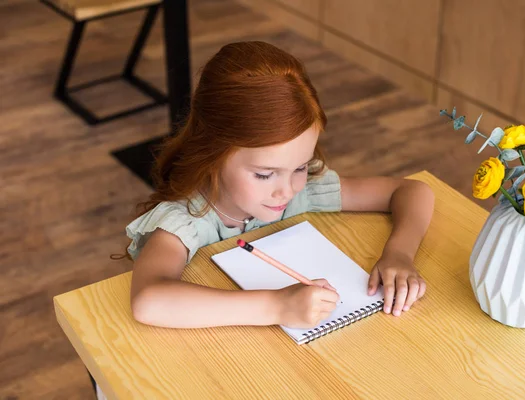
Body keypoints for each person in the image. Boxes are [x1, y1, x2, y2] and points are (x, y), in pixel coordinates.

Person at [123, 41, 435, 330]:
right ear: (213, 154)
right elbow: (149, 301)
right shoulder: (186, 221)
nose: (286, 190)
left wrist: (399, 254)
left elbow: (411, 191)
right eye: (264, 174)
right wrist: (276, 306)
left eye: (299, 166)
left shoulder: (306, 189)